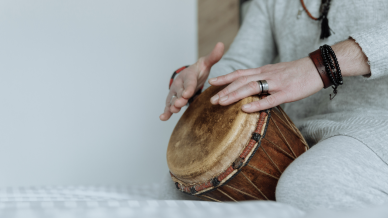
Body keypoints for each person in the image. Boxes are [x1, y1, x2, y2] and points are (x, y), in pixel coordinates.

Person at [159, 0, 388, 211]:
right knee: (179, 193)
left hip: (376, 124)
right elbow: (244, 63)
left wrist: (320, 66)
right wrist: (200, 85)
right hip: (294, 130)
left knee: (309, 185)